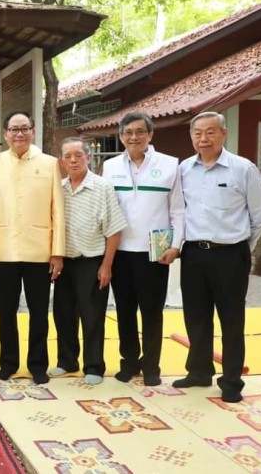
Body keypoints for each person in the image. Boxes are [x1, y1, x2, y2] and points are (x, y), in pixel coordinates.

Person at [173, 112, 261, 403]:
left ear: (223, 134)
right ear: (191, 136)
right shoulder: (184, 169)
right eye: (197, 133)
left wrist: (241, 245)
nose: (203, 138)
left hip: (230, 255)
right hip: (193, 254)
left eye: (210, 132)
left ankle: (231, 381)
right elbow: (179, 211)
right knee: (196, 316)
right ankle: (199, 371)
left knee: (231, 319)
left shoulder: (243, 168)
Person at [0, 111, 65, 384]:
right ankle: (8, 363)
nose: (19, 134)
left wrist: (57, 252)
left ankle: (38, 365)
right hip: (3, 250)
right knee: (6, 313)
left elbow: (58, 211)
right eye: (14, 129)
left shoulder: (49, 163)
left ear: (33, 132)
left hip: (40, 250)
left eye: (24, 128)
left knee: (39, 313)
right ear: (5, 134)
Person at [102, 112, 184, 386]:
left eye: (139, 132)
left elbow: (178, 210)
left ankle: (151, 367)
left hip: (154, 253)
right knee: (124, 312)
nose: (133, 137)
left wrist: (175, 245)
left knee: (152, 313)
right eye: (128, 133)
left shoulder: (170, 165)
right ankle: (129, 362)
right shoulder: (110, 166)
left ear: (150, 134)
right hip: (120, 252)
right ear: (121, 136)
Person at [50, 138, 127, 384]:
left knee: (92, 315)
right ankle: (67, 361)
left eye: (78, 155)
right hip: (64, 261)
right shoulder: (58, 188)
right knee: (63, 313)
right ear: (61, 161)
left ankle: (94, 366)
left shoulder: (102, 187)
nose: (73, 160)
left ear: (88, 157)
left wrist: (107, 265)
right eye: (67, 156)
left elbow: (114, 230)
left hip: (92, 261)